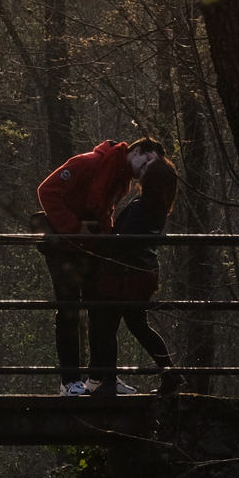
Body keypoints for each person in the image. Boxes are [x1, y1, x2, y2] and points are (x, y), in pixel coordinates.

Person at [32, 137, 166, 395]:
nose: (147, 169)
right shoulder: (90, 163)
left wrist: (102, 235)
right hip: (64, 249)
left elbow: (103, 210)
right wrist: (73, 229)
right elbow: (47, 190)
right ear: (137, 151)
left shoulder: (120, 178)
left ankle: (99, 377)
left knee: (99, 311)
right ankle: (69, 381)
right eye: (148, 160)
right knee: (69, 310)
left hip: (90, 248)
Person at [88, 152, 182, 396]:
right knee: (138, 326)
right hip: (141, 274)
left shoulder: (140, 208)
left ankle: (109, 381)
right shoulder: (157, 207)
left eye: (150, 164)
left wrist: (98, 242)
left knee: (105, 326)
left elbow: (122, 243)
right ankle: (171, 375)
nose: (146, 163)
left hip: (122, 276)